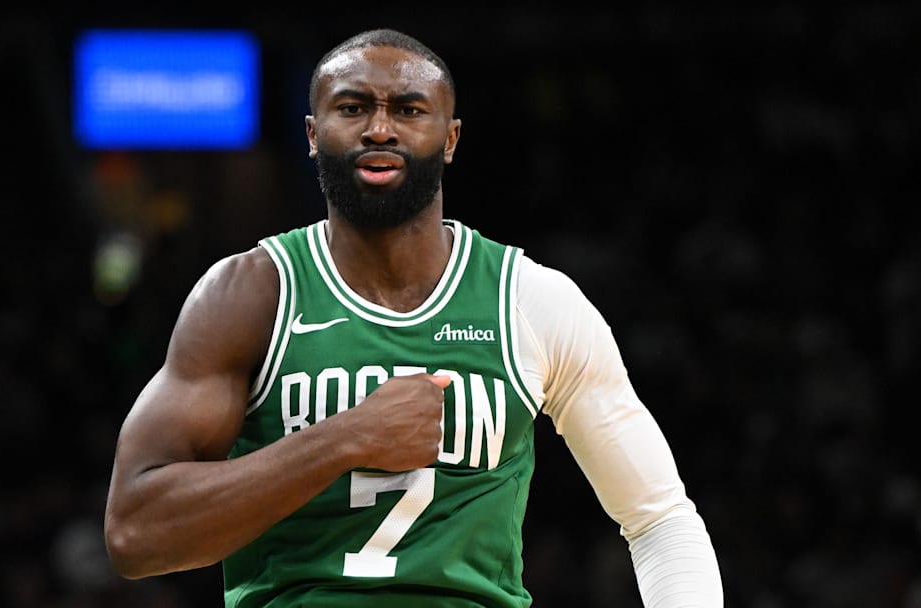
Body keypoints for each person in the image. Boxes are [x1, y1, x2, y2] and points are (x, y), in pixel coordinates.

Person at [103, 28, 724, 607]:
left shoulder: (532, 300)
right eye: (352, 108)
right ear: (313, 133)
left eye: (407, 109)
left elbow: (659, 519)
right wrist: (346, 439)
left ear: (450, 139)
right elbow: (135, 535)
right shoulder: (249, 294)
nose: (379, 129)